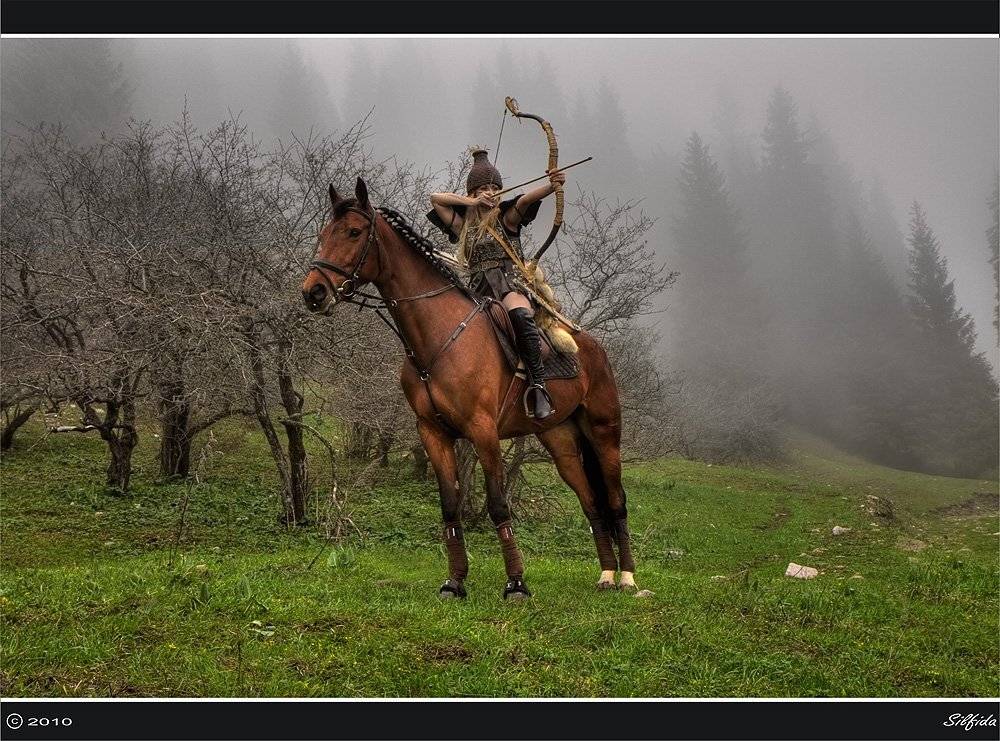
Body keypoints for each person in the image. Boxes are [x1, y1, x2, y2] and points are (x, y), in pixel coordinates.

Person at [427, 149, 566, 419]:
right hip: (476, 292)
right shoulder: (462, 225)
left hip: (510, 285)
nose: (490, 192)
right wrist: (471, 203)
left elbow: (525, 200)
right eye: (483, 188)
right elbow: (436, 199)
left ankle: (538, 386)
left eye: (494, 188)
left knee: (518, 312)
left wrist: (552, 185)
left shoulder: (506, 218)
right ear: (472, 193)